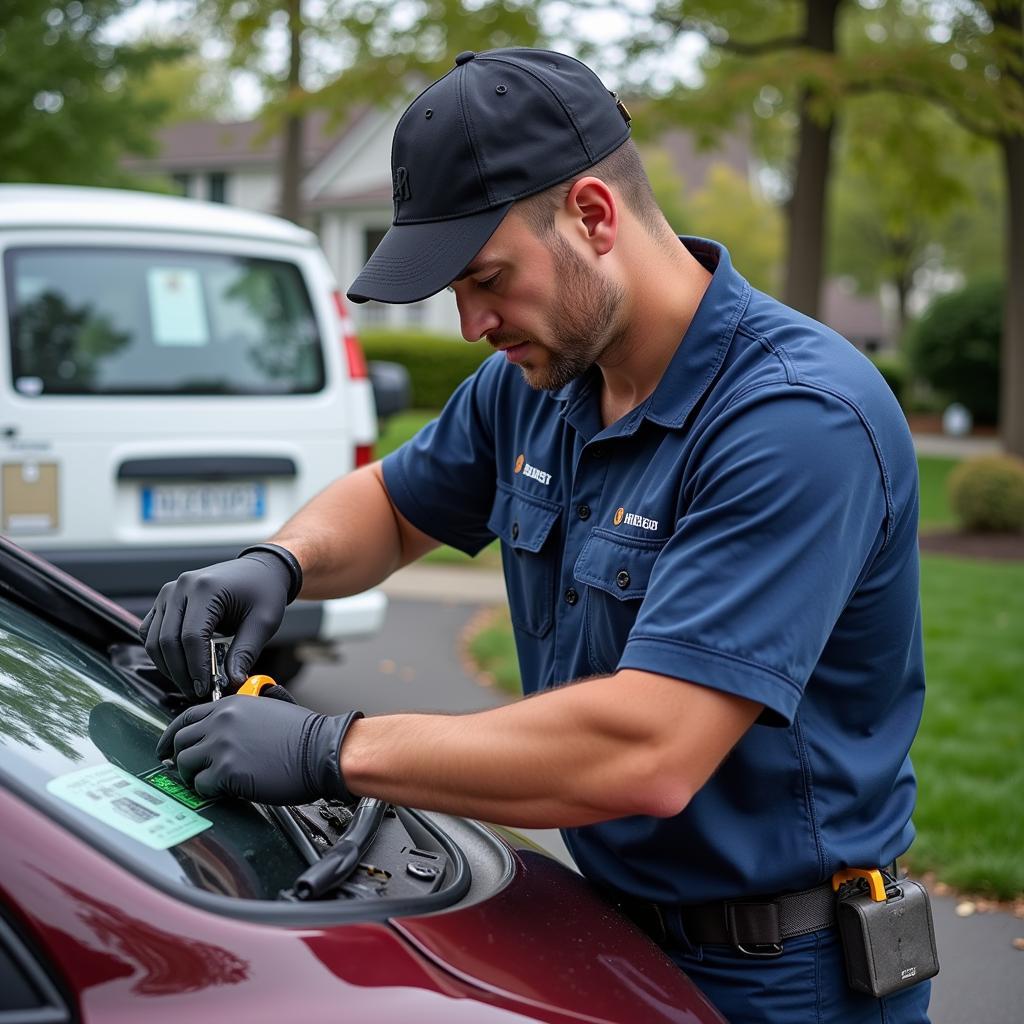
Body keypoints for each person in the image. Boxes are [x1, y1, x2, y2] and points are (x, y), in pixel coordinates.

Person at [147, 47, 931, 1024]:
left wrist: (326, 744)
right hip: (604, 933)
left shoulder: (793, 420)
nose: (472, 322)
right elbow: (393, 504)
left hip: (783, 973)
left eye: (486, 278)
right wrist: (279, 560)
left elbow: (649, 748)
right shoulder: (545, 383)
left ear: (593, 217)